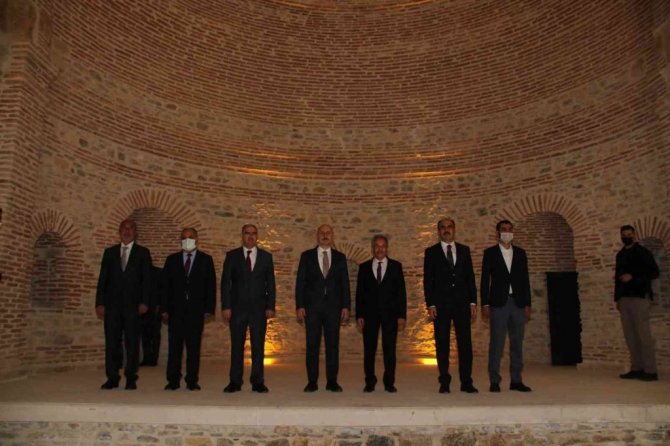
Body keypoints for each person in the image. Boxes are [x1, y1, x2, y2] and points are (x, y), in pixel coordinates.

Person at [95, 219, 153, 390]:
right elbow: (103, 279)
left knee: (132, 343)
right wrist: (99, 302)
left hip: (133, 306)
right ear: (119, 231)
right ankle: (112, 378)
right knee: (112, 342)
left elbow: (147, 280)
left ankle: (131, 378)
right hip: (112, 306)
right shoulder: (110, 252)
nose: (127, 231)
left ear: (136, 232)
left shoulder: (143, 253)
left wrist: (145, 302)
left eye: (131, 228)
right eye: (124, 228)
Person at [423, 217, 478, 394]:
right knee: (442, 344)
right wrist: (431, 303)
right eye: (443, 227)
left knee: (465, 344)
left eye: (449, 227)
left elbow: (470, 277)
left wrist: (473, 301)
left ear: (454, 229)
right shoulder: (431, 252)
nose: (446, 230)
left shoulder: (464, 250)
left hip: (462, 303)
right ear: (438, 231)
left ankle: (466, 382)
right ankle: (444, 381)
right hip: (441, 305)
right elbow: (428, 280)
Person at [221, 224, 277, 393]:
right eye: (247, 233)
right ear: (242, 235)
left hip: (259, 309)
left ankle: (257, 381)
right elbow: (226, 283)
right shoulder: (232, 256)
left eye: (253, 233)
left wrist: (270, 306)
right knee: (237, 346)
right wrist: (226, 306)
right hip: (237, 308)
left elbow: (271, 283)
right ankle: (235, 381)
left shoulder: (266, 257)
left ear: (257, 236)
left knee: (258, 346)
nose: (250, 236)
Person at [296, 224, 351, 392]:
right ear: (317, 236)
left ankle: (332, 381)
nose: (325, 235)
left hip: (333, 308)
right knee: (312, 345)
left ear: (332, 236)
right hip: (312, 308)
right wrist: (299, 305)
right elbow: (300, 283)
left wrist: (346, 306)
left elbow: (345, 284)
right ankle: (312, 381)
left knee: (332, 345)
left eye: (328, 233)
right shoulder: (306, 256)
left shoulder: (340, 257)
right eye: (322, 233)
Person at [480, 220, 532, 392]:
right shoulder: (490, 253)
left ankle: (516, 380)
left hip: (518, 303)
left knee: (517, 343)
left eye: (510, 229)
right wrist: (485, 303)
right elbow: (484, 280)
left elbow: (525, 280)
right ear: (498, 232)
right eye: (504, 229)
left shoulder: (521, 253)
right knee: (497, 343)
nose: (507, 232)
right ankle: (494, 380)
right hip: (498, 304)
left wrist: (528, 304)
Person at [161, 228, 216, 391]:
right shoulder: (172, 260)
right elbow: (165, 287)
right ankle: (173, 380)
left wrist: (209, 308)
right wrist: (164, 308)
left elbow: (211, 286)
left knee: (193, 347)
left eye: (190, 237)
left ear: (197, 239)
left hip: (196, 310)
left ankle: (192, 380)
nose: (187, 240)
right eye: (184, 237)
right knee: (174, 347)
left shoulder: (206, 260)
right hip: (175, 310)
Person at [356, 235, 407, 393]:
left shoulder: (396, 266)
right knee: (369, 350)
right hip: (369, 315)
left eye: (383, 246)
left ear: (387, 248)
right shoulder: (364, 267)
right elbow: (359, 294)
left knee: (389, 350)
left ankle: (389, 382)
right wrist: (359, 315)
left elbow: (401, 293)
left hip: (390, 315)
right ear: (372, 248)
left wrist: (402, 315)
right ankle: (370, 381)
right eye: (377, 246)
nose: (380, 249)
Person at [615, 224, 660, 381]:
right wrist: (617, 298)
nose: (626, 237)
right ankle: (636, 368)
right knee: (630, 336)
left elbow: (654, 272)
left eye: (629, 234)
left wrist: (633, 276)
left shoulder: (642, 252)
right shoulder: (620, 255)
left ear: (634, 235)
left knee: (643, 335)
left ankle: (650, 371)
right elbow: (617, 278)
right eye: (624, 234)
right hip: (624, 298)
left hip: (640, 297)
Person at [139, 265, 163, 366]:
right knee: (144, 334)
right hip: (143, 307)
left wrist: (159, 305)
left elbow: (162, 290)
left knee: (155, 334)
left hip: (155, 307)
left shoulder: (158, 272)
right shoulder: (139, 271)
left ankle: (154, 359)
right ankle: (147, 358)